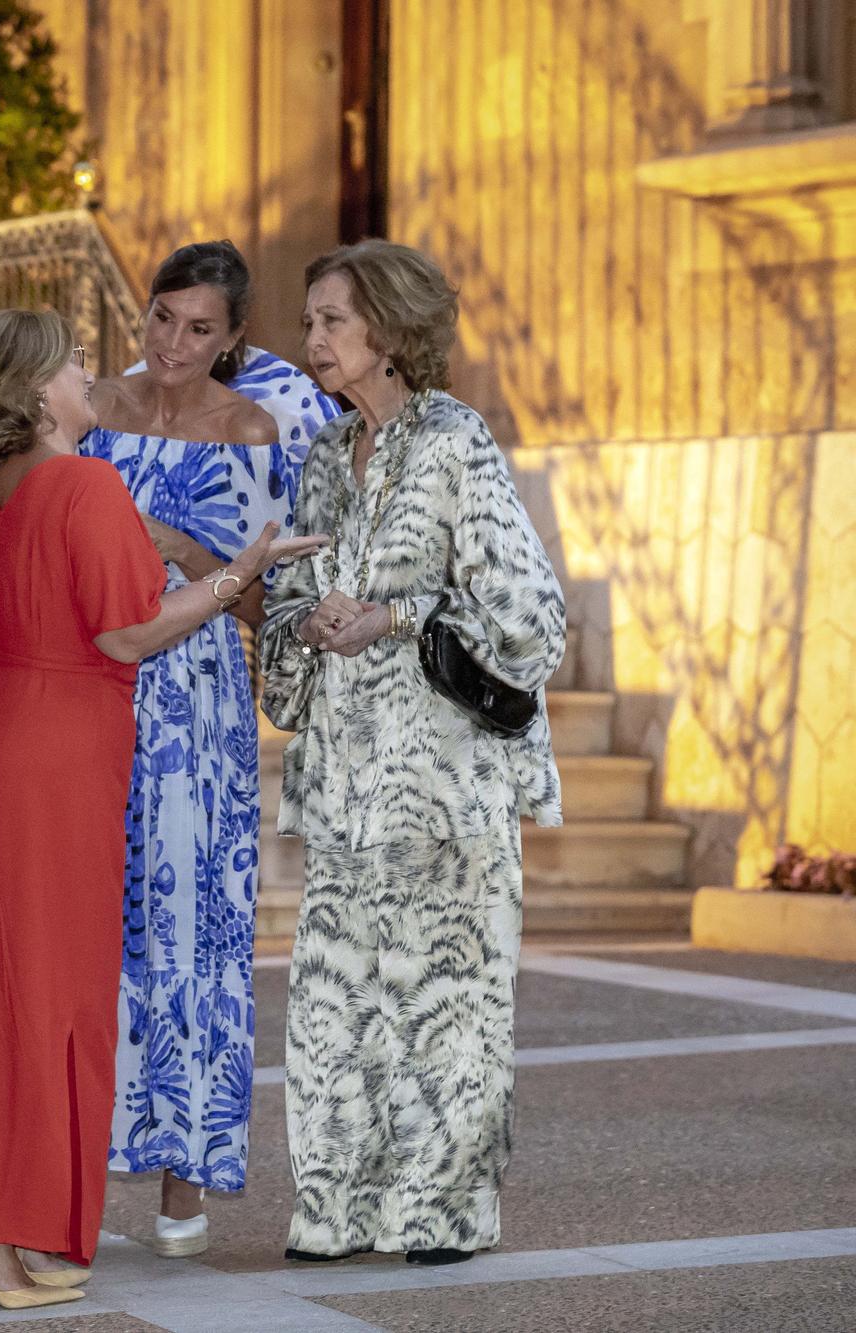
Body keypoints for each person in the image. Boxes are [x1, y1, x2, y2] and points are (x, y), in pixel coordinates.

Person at [0, 309, 325, 1310]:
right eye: (73, 363)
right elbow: (130, 635)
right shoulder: (84, 487)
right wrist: (234, 578)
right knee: (40, 998)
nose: (91, 374)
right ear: (36, 391)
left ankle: (6, 1218)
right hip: (50, 760)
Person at [261, 240, 566, 1266]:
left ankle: (440, 1214)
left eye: (330, 321)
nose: (311, 341)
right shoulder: (318, 458)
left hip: (444, 787)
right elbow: (288, 612)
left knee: (447, 1004)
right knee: (333, 1006)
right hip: (344, 786)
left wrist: (389, 615)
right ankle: (336, 1211)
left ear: (387, 330)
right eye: (306, 322)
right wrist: (304, 625)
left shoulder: (454, 441)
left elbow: (527, 617)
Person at [84, 241, 339, 1257]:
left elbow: (276, 589)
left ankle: (184, 1178)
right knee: (94, 931)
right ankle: (77, 1159)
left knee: (194, 934)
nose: (173, 344)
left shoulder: (255, 430)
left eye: (200, 329)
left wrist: (187, 553)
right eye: (160, 319)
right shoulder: (91, 410)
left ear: (234, 339)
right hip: (91, 685)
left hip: (194, 705)